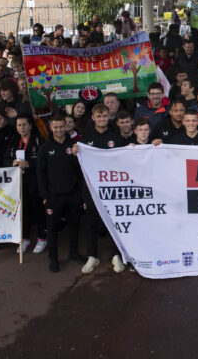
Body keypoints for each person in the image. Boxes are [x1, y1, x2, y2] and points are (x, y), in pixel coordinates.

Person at [78, 103, 126, 276]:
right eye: (98, 116)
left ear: (109, 117)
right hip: (91, 187)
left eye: (105, 116)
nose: (102, 119)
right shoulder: (85, 138)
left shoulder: (116, 136)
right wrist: (76, 150)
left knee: (114, 221)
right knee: (91, 222)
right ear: (93, 118)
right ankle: (92, 256)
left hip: (111, 188)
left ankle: (116, 254)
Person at [36, 112, 86, 273]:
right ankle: (54, 257)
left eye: (61, 127)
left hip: (72, 195)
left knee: (74, 226)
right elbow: (40, 174)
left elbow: (81, 171)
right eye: (55, 127)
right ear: (50, 127)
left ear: (66, 127)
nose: (58, 130)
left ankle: (73, 252)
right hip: (53, 197)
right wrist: (44, 196)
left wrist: (80, 194)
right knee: (52, 228)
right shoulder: (45, 148)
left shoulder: (74, 146)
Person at [8, 113, 46, 254]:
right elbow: (7, 156)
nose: (22, 127)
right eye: (19, 125)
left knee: (37, 209)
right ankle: (24, 238)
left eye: (24, 124)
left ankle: (42, 238)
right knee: (23, 210)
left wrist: (30, 164)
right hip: (19, 181)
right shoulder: (14, 140)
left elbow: (44, 160)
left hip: (34, 181)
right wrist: (12, 162)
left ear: (30, 125)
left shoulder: (38, 139)